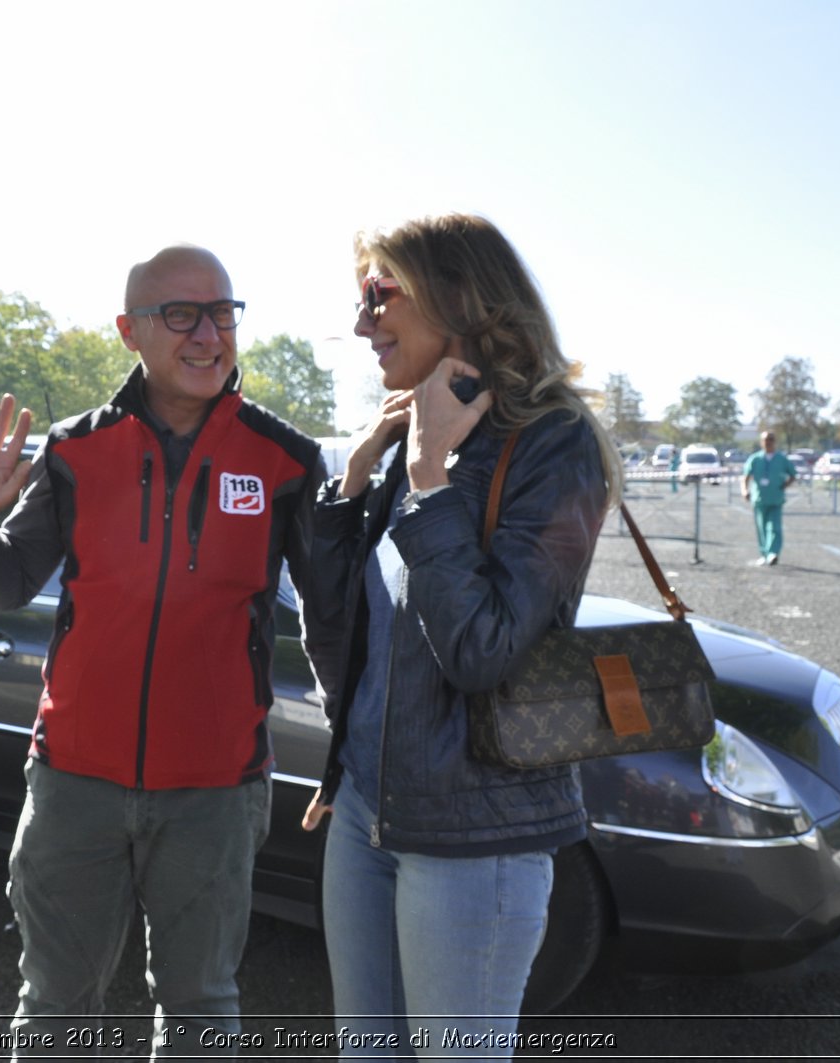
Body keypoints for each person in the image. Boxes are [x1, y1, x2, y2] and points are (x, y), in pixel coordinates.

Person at [0, 245, 331, 1056]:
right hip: (74, 782)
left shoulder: (285, 459)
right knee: (56, 1006)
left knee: (200, 1009)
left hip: (216, 792)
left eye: (222, 311)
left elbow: (331, 618)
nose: (208, 333)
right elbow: (12, 582)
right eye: (180, 314)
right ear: (130, 331)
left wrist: (347, 749)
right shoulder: (76, 449)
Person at [299, 214, 622, 1056]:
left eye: (379, 295)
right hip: (367, 815)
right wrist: (357, 483)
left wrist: (431, 477)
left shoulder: (554, 443)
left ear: (459, 295)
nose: (363, 323)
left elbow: (483, 650)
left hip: (476, 838)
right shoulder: (412, 434)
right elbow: (349, 634)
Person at [741, 431, 799, 565]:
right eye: (766, 440)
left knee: (775, 527)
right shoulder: (755, 459)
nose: (768, 442)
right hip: (760, 499)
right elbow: (746, 477)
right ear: (761, 442)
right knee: (761, 527)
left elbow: (793, 474)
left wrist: (785, 485)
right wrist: (745, 490)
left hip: (775, 499)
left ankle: (773, 553)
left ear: (775, 442)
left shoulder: (781, 459)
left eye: (771, 440)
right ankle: (764, 553)